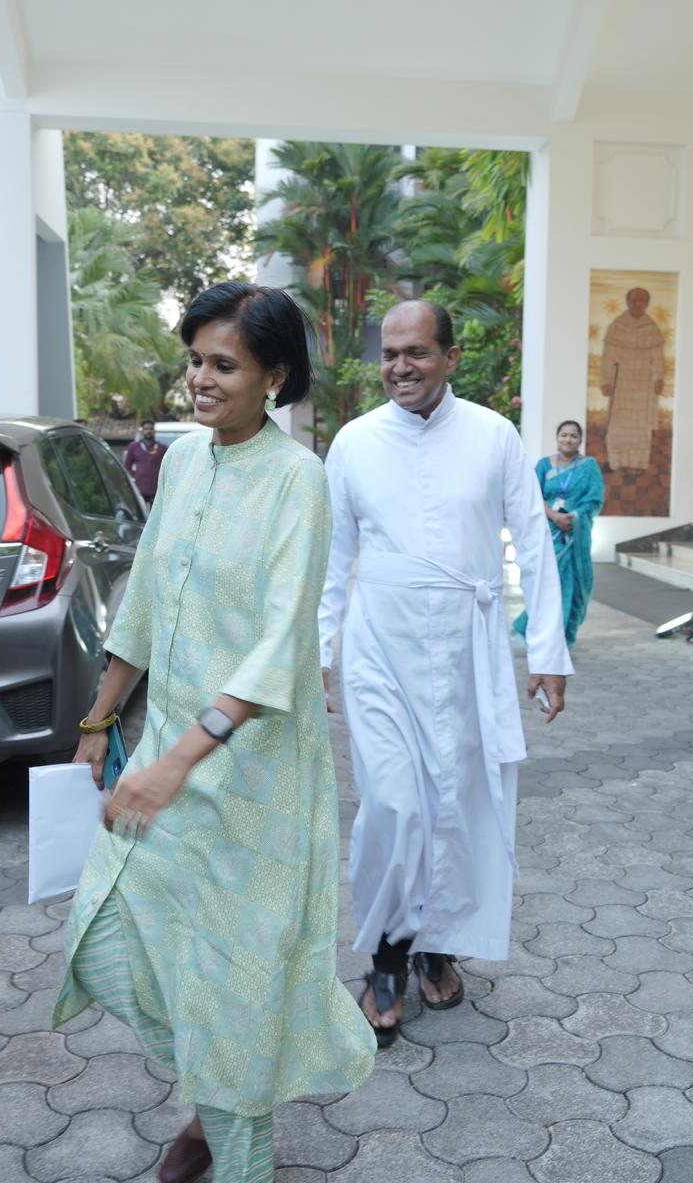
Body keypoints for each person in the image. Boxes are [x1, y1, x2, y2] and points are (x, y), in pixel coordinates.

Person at [54, 282, 375, 1183]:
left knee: (236, 976)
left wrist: (174, 766)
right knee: (106, 937)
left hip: (255, 777)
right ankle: (219, 1087)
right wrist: (100, 718)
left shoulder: (298, 481)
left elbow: (281, 648)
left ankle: (233, 1137)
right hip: (166, 755)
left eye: (223, 365)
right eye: (194, 360)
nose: (200, 378)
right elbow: (146, 602)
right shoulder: (185, 460)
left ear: (274, 377)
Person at [318, 300, 572, 1046]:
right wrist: (318, 652)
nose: (400, 366)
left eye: (417, 352)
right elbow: (331, 558)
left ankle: (436, 945)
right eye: (390, 353)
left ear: (451, 357)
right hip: (380, 649)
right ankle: (386, 957)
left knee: (456, 806)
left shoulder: (494, 435)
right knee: (393, 806)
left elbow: (534, 542)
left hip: (468, 648)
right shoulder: (354, 442)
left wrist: (548, 653)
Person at [512, 418, 605, 648]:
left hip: (575, 534)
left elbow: (594, 499)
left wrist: (574, 517)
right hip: (547, 533)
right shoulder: (544, 465)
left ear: (580, 440)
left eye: (574, 435)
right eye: (564, 434)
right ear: (557, 438)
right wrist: (555, 516)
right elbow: (533, 495)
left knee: (572, 586)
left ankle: (561, 638)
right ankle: (539, 633)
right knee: (548, 586)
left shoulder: (589, 466)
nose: (568, 439)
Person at [599, 287, 665, 474]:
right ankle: (618, 463)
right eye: (634, 300)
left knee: (641, 427)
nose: (638, 304)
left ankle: (637, 464)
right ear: (628, 302)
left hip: (644, 385)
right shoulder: (617, 326)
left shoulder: (651, 328)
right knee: (618, 426)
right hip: (621, 383)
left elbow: (658, 358)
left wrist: (659, 378)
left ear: (647, 303)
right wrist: (605, 381)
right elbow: (608, 357)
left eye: (642, 300)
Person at [123, 419, 167, 507]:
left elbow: (168, 467)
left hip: (157, 490)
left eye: (151, 429)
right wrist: (136, 475)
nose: (148, 431)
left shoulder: (162, 448)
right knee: (139, 513)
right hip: (139, 489)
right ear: (142, 431)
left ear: (154, 431)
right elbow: (127, 467)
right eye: (146, 429)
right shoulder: (133, 447)